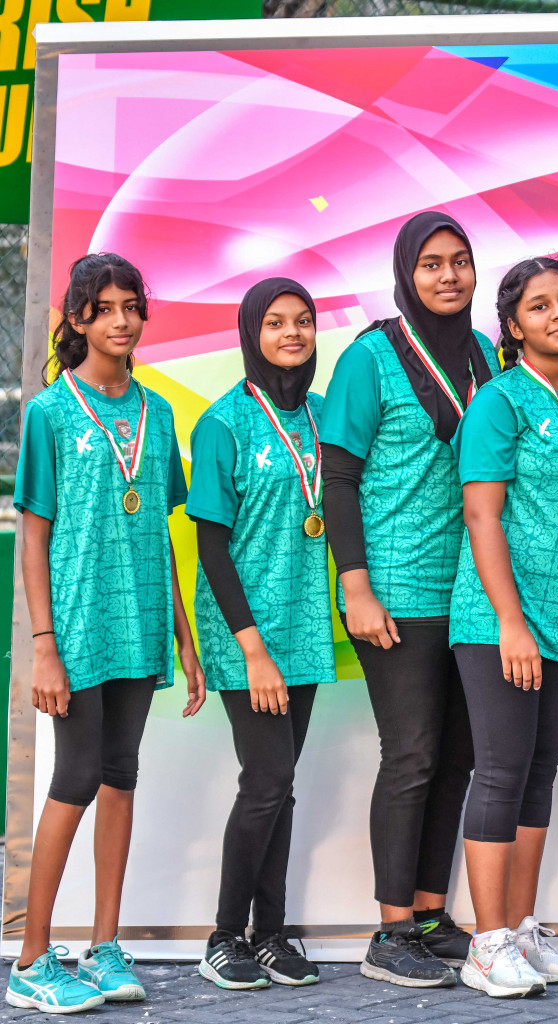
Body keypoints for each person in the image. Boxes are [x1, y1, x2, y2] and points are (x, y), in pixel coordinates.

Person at [8, 253, 204, 1014]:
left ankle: (106, 943)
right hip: (79, 628)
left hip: (144, 624)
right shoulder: (51, 412)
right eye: (106, 307)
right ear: (78, 317)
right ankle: (30, 958)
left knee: (121, 773)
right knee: (75, 778)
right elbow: (32, 536)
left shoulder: (158, 413)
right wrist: (43, 645)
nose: (122, 320)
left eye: (132, 307)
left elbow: (157, 530)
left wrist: (183, 634)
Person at [320, 212, 497, 987]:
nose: (449, 276)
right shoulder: (370, 357)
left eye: (460, 262)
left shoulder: (486, 356)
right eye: (432, 264)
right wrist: (354, 585)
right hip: (394, 588)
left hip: (469, 591)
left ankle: (429, 913)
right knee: (413, 755)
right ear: (406, 272)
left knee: (457, 755)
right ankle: (389, 929)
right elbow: (338, 476)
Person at [450, 257, 558, 999]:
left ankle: (519, 927)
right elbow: (482, 513)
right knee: (502, 770)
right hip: (500, 620)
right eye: (540, 306)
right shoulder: (498, 402)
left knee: (539, 775)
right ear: (513, 326)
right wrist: (509, 622)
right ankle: (484, 944)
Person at [188, 279, 333, 991]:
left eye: (302, 321)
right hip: (245, 630)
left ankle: (270, 934)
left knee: (282, 784)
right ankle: (223, 937)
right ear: (252, 333)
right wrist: (250, 647)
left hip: (304, 625)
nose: (292, 333)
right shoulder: (223, 425)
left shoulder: (324, 418)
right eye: (275, 323)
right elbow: (211, 545)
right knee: (267, 779)